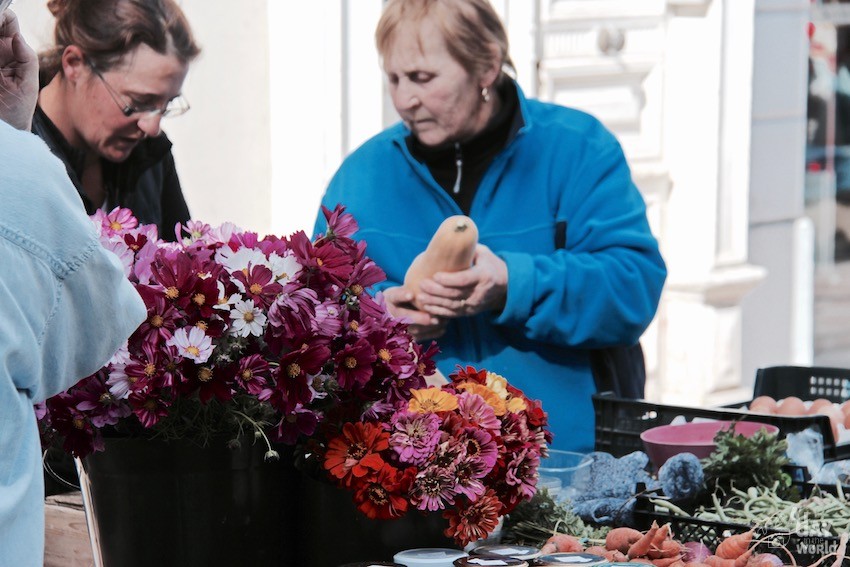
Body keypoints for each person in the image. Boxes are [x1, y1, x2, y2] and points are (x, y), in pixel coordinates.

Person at [313, 0, 667, 452]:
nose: (404, 99)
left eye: (423, 78)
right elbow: (317, 311)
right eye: (394, 78)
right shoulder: (362, 176)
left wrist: (513, 285)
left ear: (486, 68)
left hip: (567, 458)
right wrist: (380, 319)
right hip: (418, 469)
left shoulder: (578, 149)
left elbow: (632, 288)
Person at [0, 9, 147, 566]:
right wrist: (14, 138)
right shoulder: (18, 174)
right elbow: (85, 338)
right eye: (136, 102)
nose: (150, 125)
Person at [33, 0, 201, 242]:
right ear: (74, 65)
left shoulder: (151, 156)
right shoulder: (13, 155)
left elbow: (186, 266)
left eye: (166, 105)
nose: (152, 128)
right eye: (140, 102)